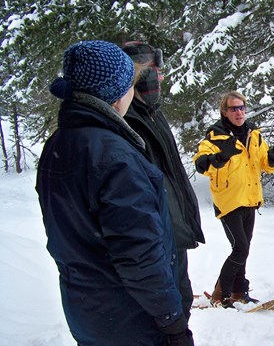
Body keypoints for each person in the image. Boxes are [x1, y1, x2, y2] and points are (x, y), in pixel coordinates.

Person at [36, 40, 193, 345]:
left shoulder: (60, 142)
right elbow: (138, 256)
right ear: (116, 93)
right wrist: (173, 322)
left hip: (88, 310)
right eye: (130, 85)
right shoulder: (114, 156)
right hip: (130, 317)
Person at [121, 41, 205, 320]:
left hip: (173, 234)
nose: (161, 77)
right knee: (168, 314)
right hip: (155, 240)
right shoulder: (126, 122)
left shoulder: (154, 115)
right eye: (155, 71)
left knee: (181, 301)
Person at [193, 90, 274, 308]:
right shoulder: (215, 136)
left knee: (244, 248)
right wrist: (220, 156)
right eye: (234, 108)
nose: (239, 112)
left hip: (250, 198)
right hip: (228, 200)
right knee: (240, 248)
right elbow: (201, 164)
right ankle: (221, 294)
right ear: (225, 112)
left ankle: (238, 291)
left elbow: (266, 165)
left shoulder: (253, 134)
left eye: (242, 107)